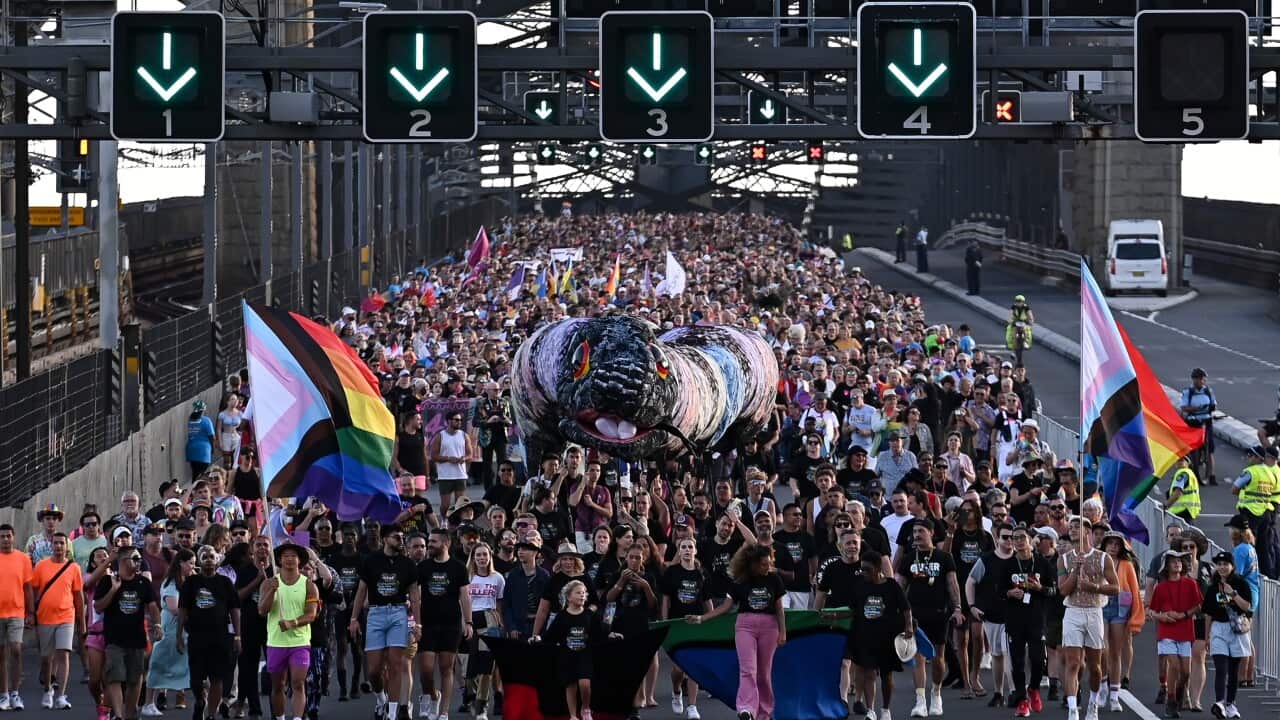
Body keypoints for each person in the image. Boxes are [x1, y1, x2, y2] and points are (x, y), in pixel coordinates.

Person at [690, 543, 786, 720]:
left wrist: (783, 632)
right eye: (764, 564)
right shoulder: (740, 581)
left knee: (764, 673)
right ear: (754, 564)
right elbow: (726, 607)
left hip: (769, 627)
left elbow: (779, 608)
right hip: (745, 626)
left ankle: (764, 713)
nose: (768, 567)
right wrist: (702, 618)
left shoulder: (774, 579)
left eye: (769, 563)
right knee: (747, 669)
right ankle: (746, 708)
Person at [349, 527, 419, 720]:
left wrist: (418, 624)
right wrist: (354, 619)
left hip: (398, 612)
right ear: (386, 539)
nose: (400, 540)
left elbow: (414, 596)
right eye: (397, 537)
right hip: (376, 613)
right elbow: (361, 591)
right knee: (374, 670)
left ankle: (393, 712)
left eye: (402, 537)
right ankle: (381, 699)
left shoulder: (408, 564)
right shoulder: (371, 561)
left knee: (396, 665)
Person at [896, 519, 961, 718]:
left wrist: (957, 608)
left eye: (921, 531)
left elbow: (952, 585)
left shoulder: (944, 557)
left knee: (939, 658)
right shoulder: (908, 558)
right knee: (919, 657)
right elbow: (900, 586)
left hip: (939, 614)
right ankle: (920, 701)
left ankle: (936, 694)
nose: (916, 535)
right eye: (914, 531)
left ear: (931, 533)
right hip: (915, 616)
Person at [1057, 516, 1120, 720]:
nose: (1073, 529)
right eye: (1072, 526)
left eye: (1078, 527)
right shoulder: (1064, 558)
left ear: (1088, 532)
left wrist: (1094, 587)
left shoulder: (1103, 558)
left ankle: (1093, 702)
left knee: (1095, 666)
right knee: (1073, 663)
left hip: (1094, 613)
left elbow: (1115, 587)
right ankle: (1073, 709)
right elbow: (1063, 590)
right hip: (1073, 612)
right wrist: (1076, 569)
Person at [534, 579, 618, 720]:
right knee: (570, 686)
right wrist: (538, 638)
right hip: (566, 656)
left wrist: (611, 634)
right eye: (578, 592)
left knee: (585, 684)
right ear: (568, 596)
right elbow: (551, 636)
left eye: (584, 593)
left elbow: (599, 632)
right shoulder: (561, 617)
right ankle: (573, 715)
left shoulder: (589, 615)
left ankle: (585, 708)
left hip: (584, 655)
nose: (582, 595)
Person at [95, 545, 162, 720]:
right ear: (123, 561)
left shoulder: (143, 582)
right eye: (135, 558)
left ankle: (130, 713)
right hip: (114, 639)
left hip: (137, 638)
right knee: (115, 676)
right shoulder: (108, 581)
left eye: (140, 558)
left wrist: (158, 625)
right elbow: (98, 607)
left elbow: (153, 606)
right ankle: (118, 715)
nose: (139, 562)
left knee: (135, 678)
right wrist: (114, 590)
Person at [415, 528, 472, 720]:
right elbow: (416, 594)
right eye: (429, 541)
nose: (429, 545)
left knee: (447, 668)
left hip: (451, 624)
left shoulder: (458, 567)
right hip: (428, 623)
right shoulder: (423, 567)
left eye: (433, 542)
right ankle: (433, 695)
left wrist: (469, 621)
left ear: (446, 543)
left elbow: (465, 596)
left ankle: (444, 712)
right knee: (426, 670)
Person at [260, 543, 320, 720]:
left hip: (300, 643)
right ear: (279, 560)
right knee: (278, 686)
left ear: (299, 560)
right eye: (285, 556)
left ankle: (297, 718)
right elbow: (262, 610)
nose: (289, 559)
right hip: (276, 643)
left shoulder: (309, 585)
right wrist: (272, 589)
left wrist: (292, 623)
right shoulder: (268, 583)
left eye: (293, 556)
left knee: (298, 683)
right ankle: (279, 717)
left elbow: (311, 614)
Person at [1000, 524, 1054, 718]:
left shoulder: (1042, 564)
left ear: (1031, 540)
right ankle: (1022, 700)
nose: (1019, 541)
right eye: (1015, 538)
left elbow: (1053, 591)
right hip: (1015, 620)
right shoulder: (1007, 565)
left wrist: (1040, 588)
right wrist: (1008, 592)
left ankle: (1033, 688)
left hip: (1037, 619)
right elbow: (997, 591)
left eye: (1023, 537)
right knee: (1017, 661)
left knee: (1038, 659)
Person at [29, 532, 82, 711]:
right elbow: (32, 591)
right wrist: (31, 613)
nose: (59, 546)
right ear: (51, 545)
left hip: (66, 616)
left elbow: (78, 596)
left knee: (63, 653)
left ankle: (61, 696)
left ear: (67, 547)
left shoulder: (74, 568)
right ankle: (48, 690)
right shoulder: (41, 566)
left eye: (62, 543)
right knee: (46, 658)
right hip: (45, 617)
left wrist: (81, 621)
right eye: (56, 543)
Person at [140, 548, 194, 717]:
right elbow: (174, 608)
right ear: (181, 563)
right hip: (170, 629)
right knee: (158, 664)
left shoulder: (188, 581)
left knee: (188, 666)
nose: (193, 567)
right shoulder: (170, 583)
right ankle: (148, 702)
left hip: (184, 630)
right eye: (190, 563)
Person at [1148, 551, 1201, 720]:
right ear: (1167, 566)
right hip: (1167, 631)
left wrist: (1184, 614)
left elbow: (1198, 605)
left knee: (1186, 672)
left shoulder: (1191, 583)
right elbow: (1151, 610)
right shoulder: (1161, 587)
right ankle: (1171, 700)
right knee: (1174, 665)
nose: (1177, 564)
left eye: (1179, 561)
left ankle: (1178, 695)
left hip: (1185, 630)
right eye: (1173, 562)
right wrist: (1161, 616)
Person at [661, 537, 710, 720]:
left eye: (690, 547)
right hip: (677, 623)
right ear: (679, 551)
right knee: (678, 670)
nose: (687, 549)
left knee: (693, 667)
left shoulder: (701, 574)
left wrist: (709, 620)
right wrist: (665, 622)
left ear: (695, 551)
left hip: (695, 623)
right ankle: (676, 691)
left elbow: (706, 600)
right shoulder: (672, 572)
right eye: (684, 547)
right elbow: (666, 598)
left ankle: (692, 706)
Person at [1203, 551, 1253, 720]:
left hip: (1237, 629)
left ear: (1232, 566)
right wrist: (1207, 636)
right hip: (1218, 628)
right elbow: (1208, 613)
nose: (1222, 567)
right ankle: (1219, 703)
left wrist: (1233, 593)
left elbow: (1247, 607)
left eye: (1226, 564)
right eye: (1219, 564)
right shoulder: (1212, 587)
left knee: (1233, 671)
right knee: (1221, 668)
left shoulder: (1241, 584)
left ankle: (1230, 704)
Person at [0, 524, 33, 711]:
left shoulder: (23, 559)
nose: (5, 539)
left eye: (8, 536)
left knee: (16, 650)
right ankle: (4, 695)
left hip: (16, 612)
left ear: (14, 537)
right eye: (2, 536)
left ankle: (15, 693)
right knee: (1, 654)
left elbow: (28, 588)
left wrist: (31, 613)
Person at [430, 411, 477, 518]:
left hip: (460, 475)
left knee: (460, 504)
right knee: (445, 504)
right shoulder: (440, 436)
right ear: (448, 421)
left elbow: (470, 454)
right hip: (445, 476)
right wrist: (448, 459)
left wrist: (464, 458)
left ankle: (457, 523)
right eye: (456, 420)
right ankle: (444, 521)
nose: (459, 422)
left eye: (460, 420)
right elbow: (433, 455)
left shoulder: (464, 435)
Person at [1181, 368, 1218, 485]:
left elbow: (1214, 405)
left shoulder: (1208, 391)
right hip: (1193, 421)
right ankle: (1191, 469)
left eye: (1203, 379)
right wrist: (1197, 408)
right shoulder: (1188, 392)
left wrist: (1210, 407)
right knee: (1192, 447)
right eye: (1200, 379)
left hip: (1206, 421)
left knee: (1210, 448)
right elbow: (1184, 407)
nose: (1202, 381)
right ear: (1194, 380)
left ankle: (1211, 475)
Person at [186, 399, 217, 479]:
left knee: (195, 474)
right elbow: (212, 437)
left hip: (191, 450)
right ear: (203, 409)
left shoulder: (190, 420)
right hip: (203, 451)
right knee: (202, 475)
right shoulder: (206, 420)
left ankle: (194, 489)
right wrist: (213, 449)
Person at [1167, 455, 1201, 521]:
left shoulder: (1183, 474)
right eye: (1177, 460)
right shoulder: (1190, 473)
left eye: (1182, 460)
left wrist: (1166, 506)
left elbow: (1177, 493)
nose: (1178, 462)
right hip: (1188, 511)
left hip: (1182, 511)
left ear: (1188, 463)